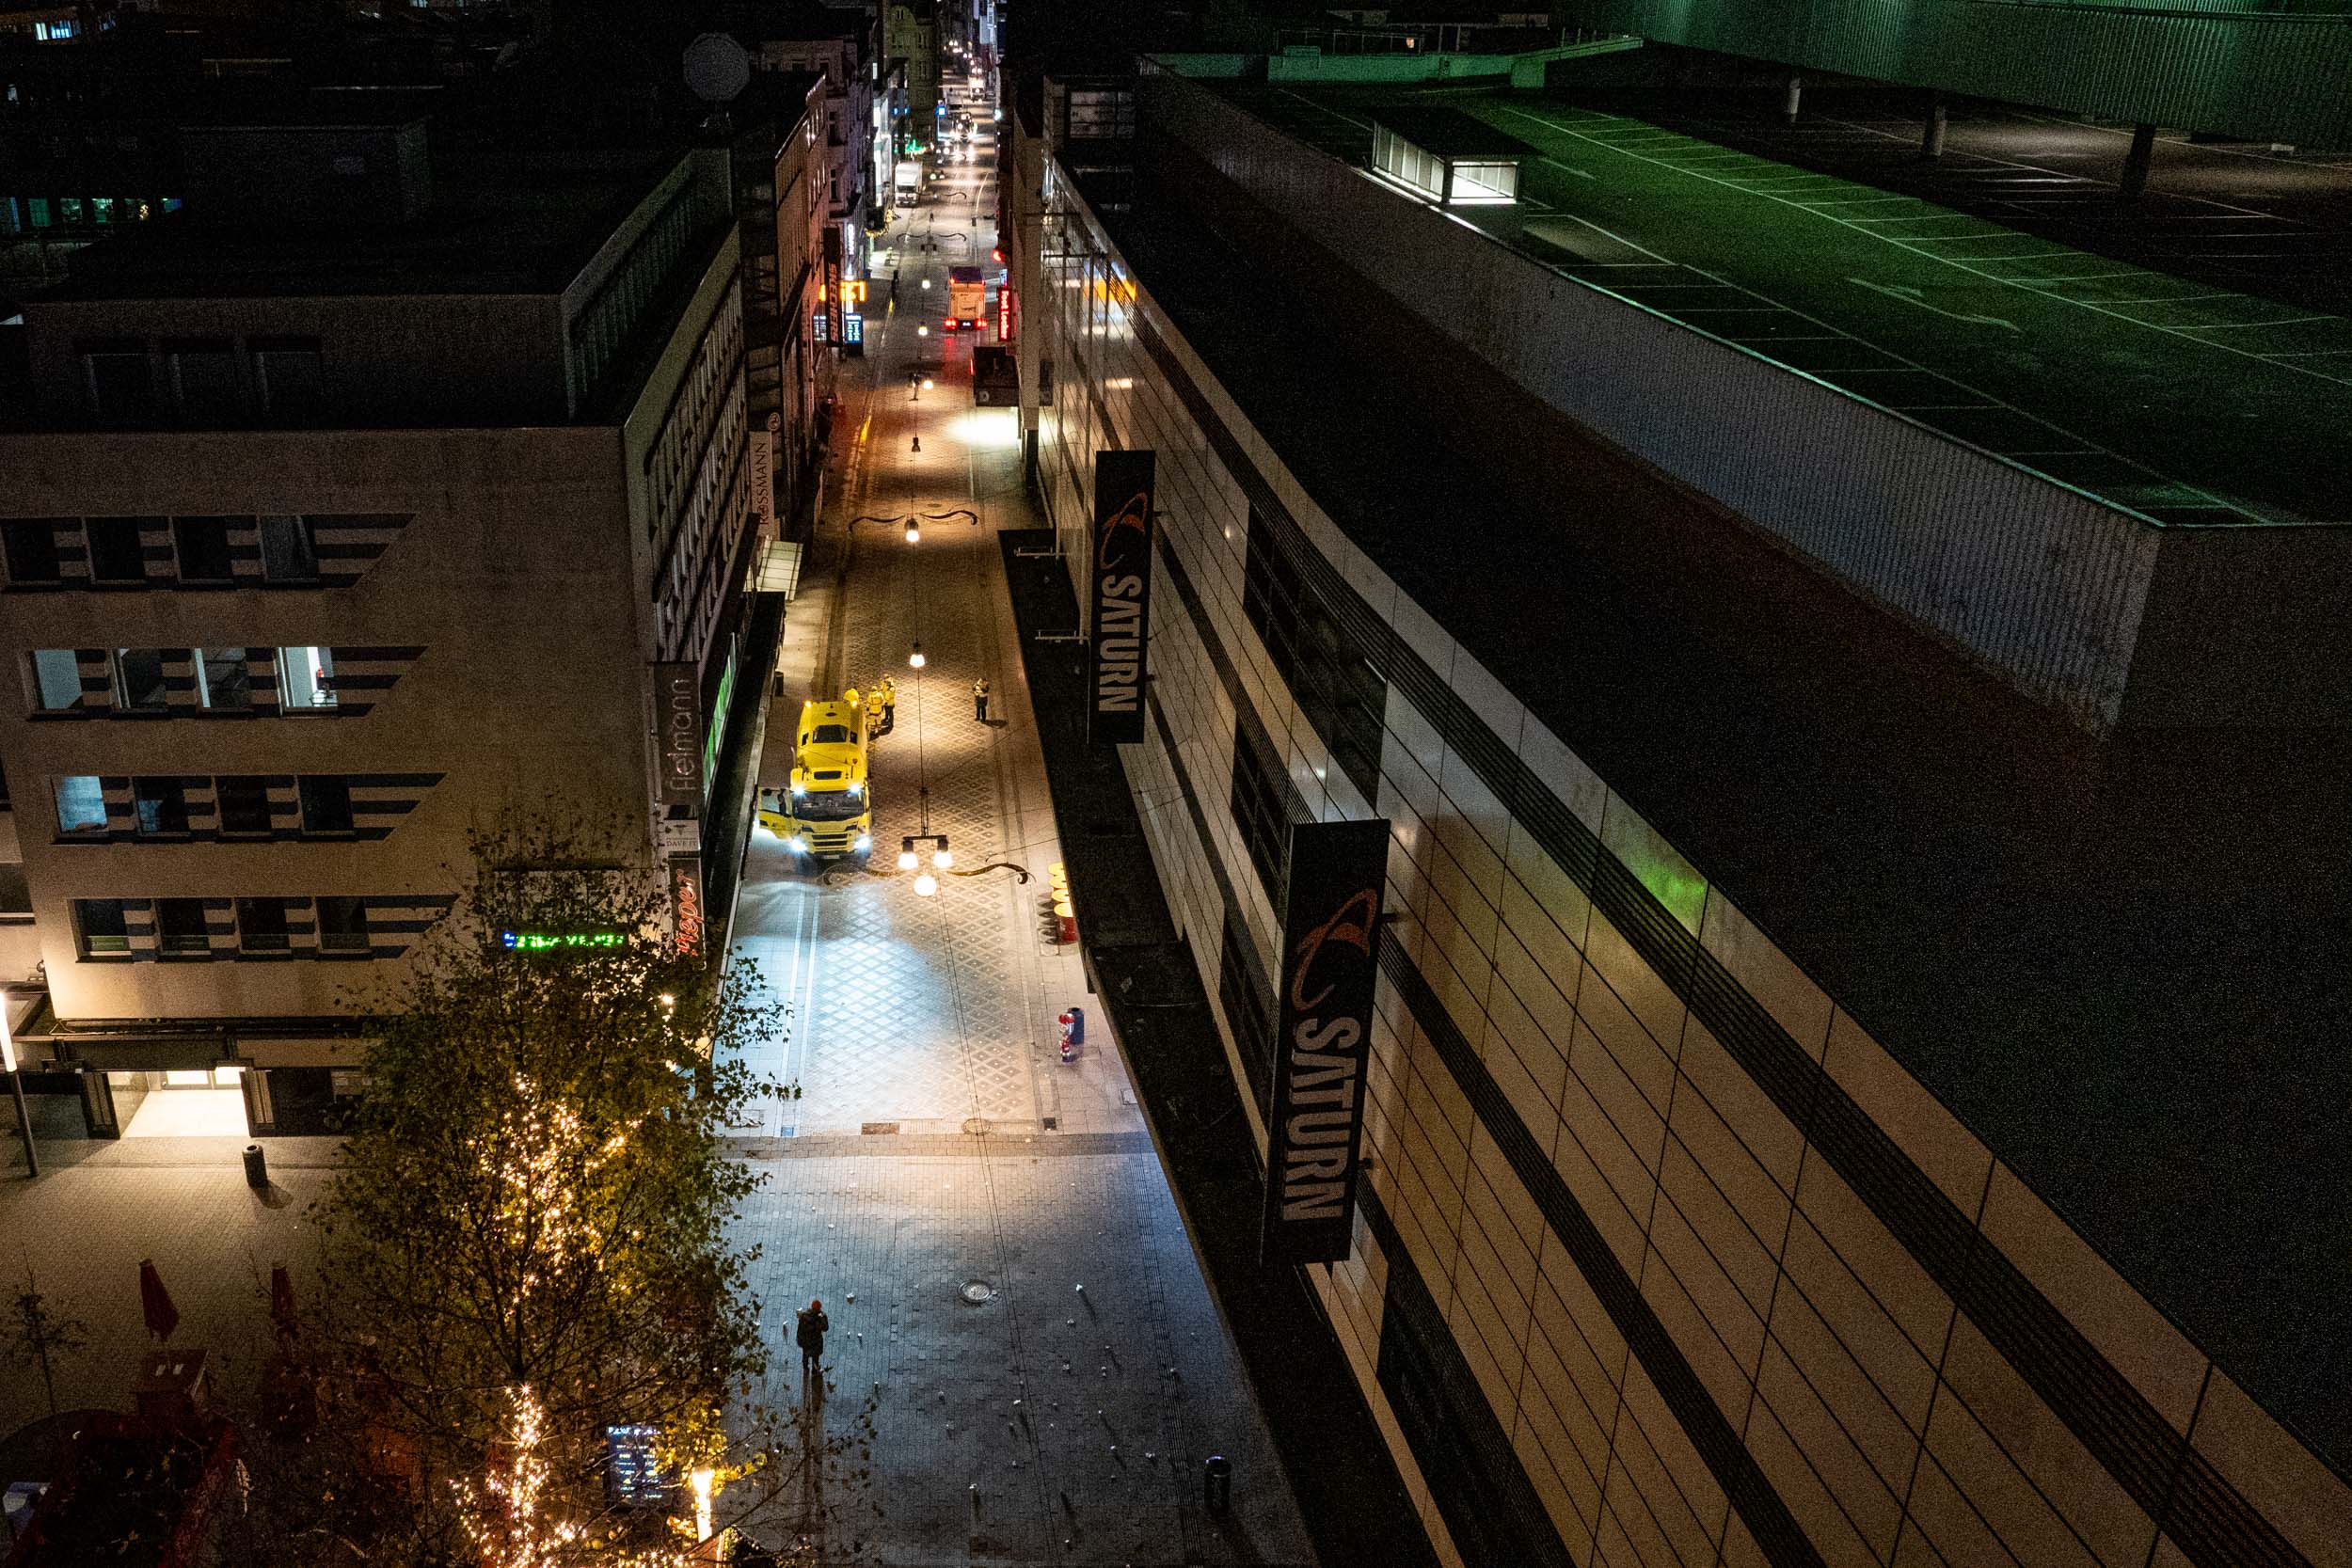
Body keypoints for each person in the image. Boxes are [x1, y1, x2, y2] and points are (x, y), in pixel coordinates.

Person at [795, 1299, 829, 1375]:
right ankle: (814, 1371)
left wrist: (800, 1339)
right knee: (815, 1358)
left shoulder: (804, 1316)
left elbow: (800, 1329)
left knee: (805, 1355)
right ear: (819, 1308)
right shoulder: (821, 1317)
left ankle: (805, 1368)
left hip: (806, 1341)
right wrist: (823, 1318)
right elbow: (825, 1328)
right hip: (816, 1341)